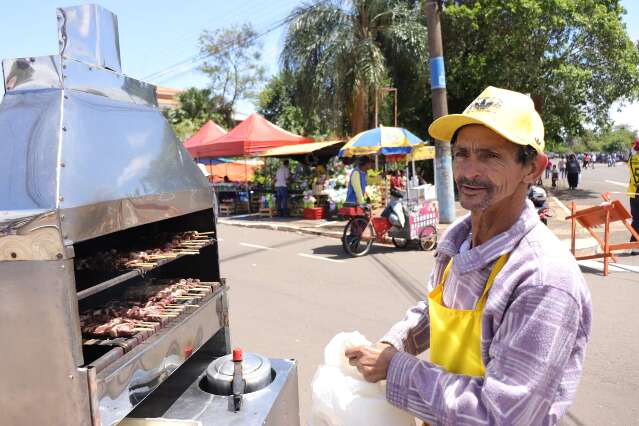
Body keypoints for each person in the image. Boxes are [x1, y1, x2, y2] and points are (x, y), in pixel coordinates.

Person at [345, 86, 591, 425]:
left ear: (532, 168)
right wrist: (393, 344)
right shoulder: (459, 241)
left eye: (490, 156)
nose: (468, 172)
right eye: (461, 154)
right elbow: (436, 311)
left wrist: (396, 367)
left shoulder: (544, 280)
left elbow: (503, 416)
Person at [627, 139, 639, 250]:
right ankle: (634, 243)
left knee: (636, 219)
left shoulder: (631, 159)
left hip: (633, 192)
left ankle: (634, 243)